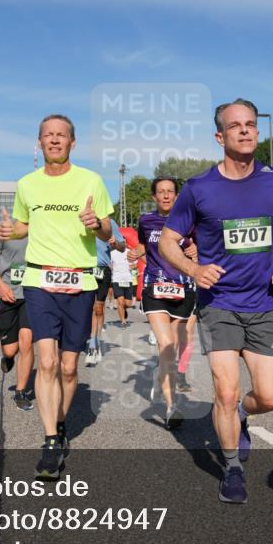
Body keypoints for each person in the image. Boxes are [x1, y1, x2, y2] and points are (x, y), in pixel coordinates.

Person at [161, 99, 273, 504]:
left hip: (266, 304)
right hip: (219, 304)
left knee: (270, 397)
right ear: (220, 136)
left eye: (251, 124)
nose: (244, 130)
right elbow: (169, 241)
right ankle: (232, 468)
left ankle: (242, 413)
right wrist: (193, 269)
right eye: (235, 125)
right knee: (224, 390)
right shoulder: (199, 188)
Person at [0, 113, 114, 480]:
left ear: (72, 142)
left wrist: (97, 224)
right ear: (40, 142)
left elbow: (108, 231)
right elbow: (23, 226)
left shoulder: (91, 180)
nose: (54, 140)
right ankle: (50, 441)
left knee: (68, 367)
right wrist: (12, 231)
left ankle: (60, 422)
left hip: (80, 281)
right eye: (47, 135)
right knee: (46, 362)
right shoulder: (27, 184)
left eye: (61, 135)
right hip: (39, 280)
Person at [130, 177, 198, 428]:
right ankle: (172, 407)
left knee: (173, 348)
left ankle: (161, 377)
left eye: (170, 191)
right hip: (155, 287)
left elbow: (201, 246)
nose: (166, 195)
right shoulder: (146, 220)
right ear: (154, 197)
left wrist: (196, 251)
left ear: (177, 196)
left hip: (182, 288)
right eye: (161, 192)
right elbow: (142, 244)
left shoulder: (190, 221)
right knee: (166, 344)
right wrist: (137, 252)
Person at [0, 236, 36, 411]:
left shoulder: (40, 226)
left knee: (27, 342)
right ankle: (7, 358)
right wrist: (0, 285)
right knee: (10, 350)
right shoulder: (5, 229)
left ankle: (20, 392)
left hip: (32, 294)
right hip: (7, 293)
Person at [86, 219, 124, 365]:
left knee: (98, 308)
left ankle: (95, 342)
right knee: (87, 307)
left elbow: (122, 247)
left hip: (102, 269)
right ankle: (90, 340)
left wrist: (115, 243)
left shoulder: (109, 222)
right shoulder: (77, 217)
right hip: (82, 268)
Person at [110, 235, 136, 328]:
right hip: (117, 280)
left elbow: (135, 264)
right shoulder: (112, 253)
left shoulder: (130, 252)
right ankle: (123, 321)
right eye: (121, 242)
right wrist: (110, 268)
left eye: (124, 242)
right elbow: (109, 263)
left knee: (127, 304)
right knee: (120, 302)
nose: (122, 244)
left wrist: (133, 266)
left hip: (128, 280)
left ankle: (124, 310)